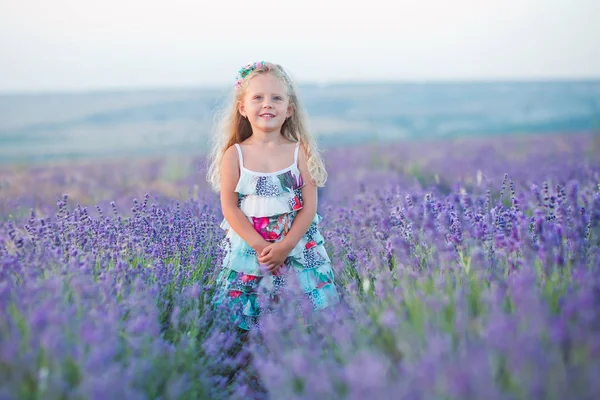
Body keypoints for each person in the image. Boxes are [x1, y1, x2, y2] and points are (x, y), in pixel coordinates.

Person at [206, 61, 340, 332]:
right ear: (242, 108)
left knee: (304, 317)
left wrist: (285, 246)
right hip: (251, 250)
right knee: (247, 318)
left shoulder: (299, 152)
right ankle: (248, 368)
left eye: (276, 98)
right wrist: (261, 247)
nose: (267, 104)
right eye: (258, 98)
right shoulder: (235, 155)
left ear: (289, 109)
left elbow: (309, 207)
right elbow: (230, 208)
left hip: (297, 248)